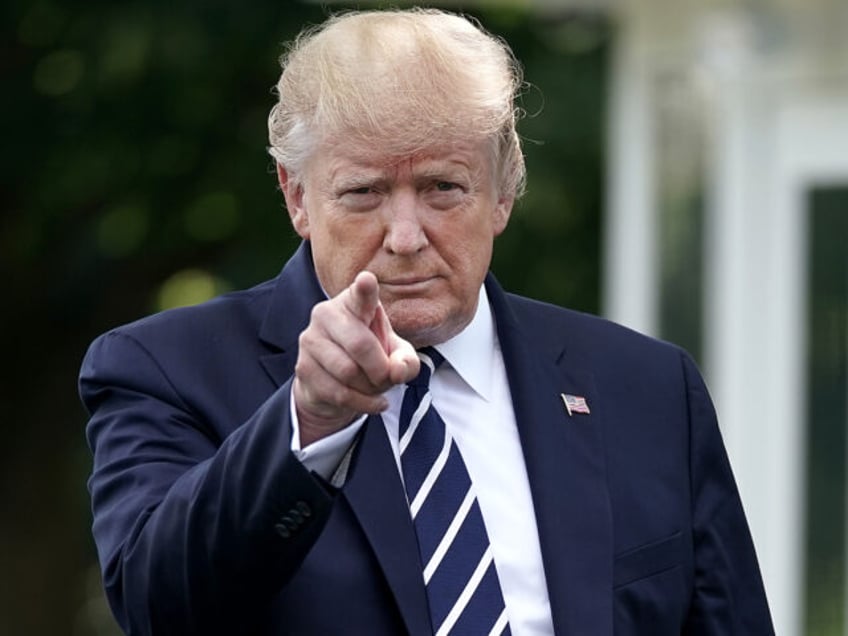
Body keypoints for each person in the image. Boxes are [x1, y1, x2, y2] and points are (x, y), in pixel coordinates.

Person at [80, 7, 774, 635]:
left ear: (502, 190)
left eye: (443, 187)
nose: (405, 235)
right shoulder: (166, 369)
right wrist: (306, 427)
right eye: (364, 192)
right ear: (297, 197)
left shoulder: (645, 387)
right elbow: (156, 604)